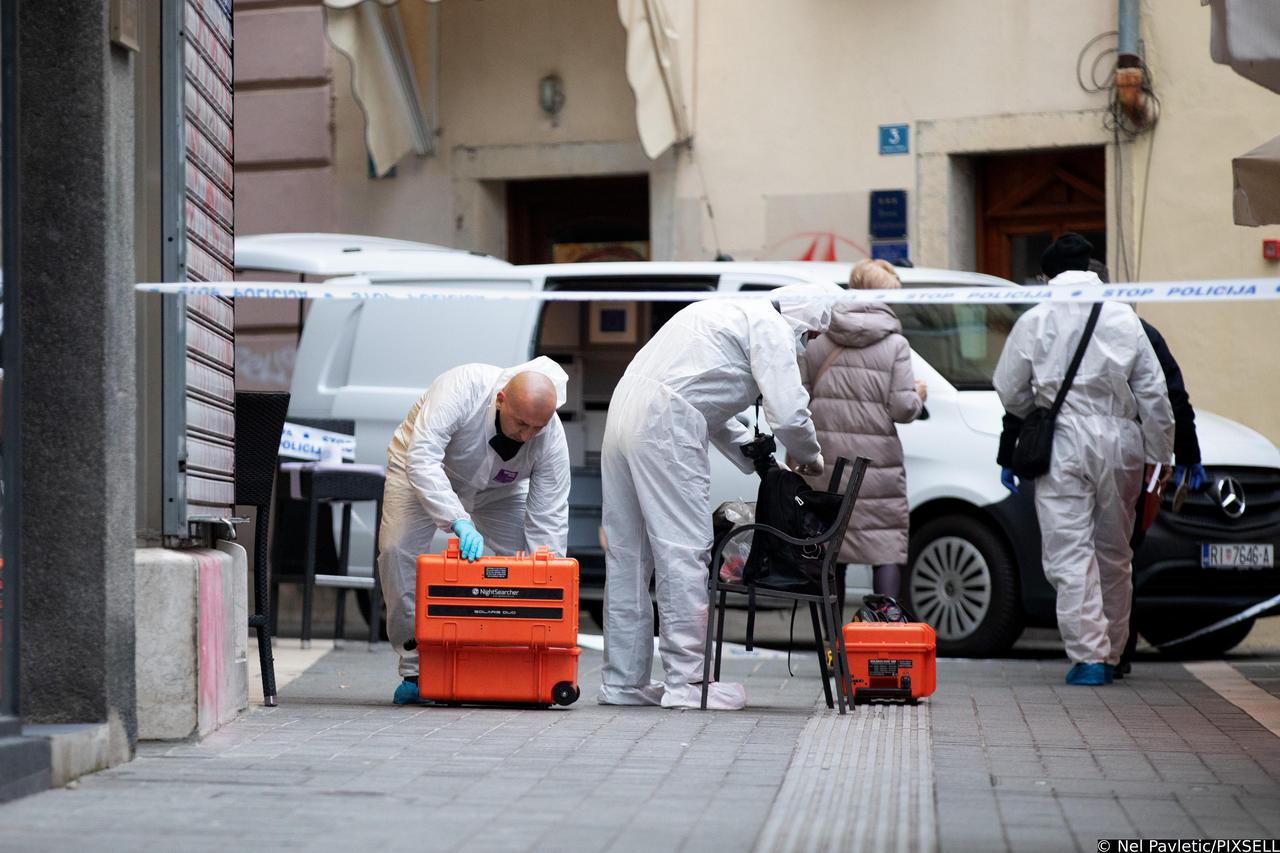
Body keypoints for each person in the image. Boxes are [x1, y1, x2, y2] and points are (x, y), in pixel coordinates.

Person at [598, 284, 837, 710]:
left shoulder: (724, 311)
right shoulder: (772, 326)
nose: (810, 343)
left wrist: (755, 457)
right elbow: (790, 413)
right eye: (814, 335)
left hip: (624, 413)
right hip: (663, 426)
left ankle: (623, 682)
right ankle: (688, 683)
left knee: (628, 557)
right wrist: (809, 457)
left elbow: (702, 398)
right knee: (683, 551)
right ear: (805, 320)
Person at [993, 233, 1173, 686]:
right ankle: (1112, 650)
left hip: (1064, 440)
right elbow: (1154, 393)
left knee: (1069, 552)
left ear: (1047, 276)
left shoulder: (1035, 319)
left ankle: (1089, 656)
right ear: (1091, 271)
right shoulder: (1124, 318)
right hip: (1122, 439)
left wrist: (1034, 409)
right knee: (1115, 551)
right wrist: (1161, 454)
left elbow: (1009, 388)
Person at [377, 357, 572, 705]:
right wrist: (457, 519)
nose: (526, 436)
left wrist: (551, 580)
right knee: (397, 553)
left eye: (536, 429)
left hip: (501, 489)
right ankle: (415, 669)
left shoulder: (550, 436)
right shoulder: (462, 388)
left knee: (525, 569)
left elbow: (549, 517)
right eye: (521, 423)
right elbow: (422, 457)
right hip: (422, 471)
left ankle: (516, 661)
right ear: (500, 400)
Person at [798, 259, 926, 602]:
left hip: (826, 464)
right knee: (884, 550)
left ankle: (832, 645)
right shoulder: (896, 345)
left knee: (831, 549)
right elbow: (902, 409)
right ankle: (883, 636)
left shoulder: (820, 337)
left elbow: (800, 399)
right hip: (877, 469)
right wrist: (919, 395)